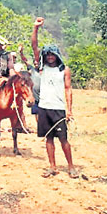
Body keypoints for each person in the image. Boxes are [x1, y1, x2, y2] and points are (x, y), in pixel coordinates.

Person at [31, 17, 78, 178]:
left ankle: (71, 167)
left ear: (57, 55)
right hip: (44, 107)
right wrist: (35, 28)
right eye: (48, 54)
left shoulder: (64, 70)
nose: (50, 57)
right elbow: (34, 46)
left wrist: (69, 110)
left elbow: (68, 89)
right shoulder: (42, 68)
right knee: (48, 138)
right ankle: (52, 166)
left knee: (63, 139)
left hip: (58, 109)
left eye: (52, 54)